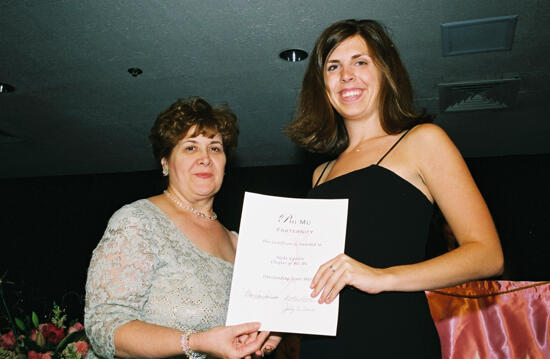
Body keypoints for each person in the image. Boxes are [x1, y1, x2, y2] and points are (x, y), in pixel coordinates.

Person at [284, 19, 503, 357]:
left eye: (360, 61)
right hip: (324, 347)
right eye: (333, 66)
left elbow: (488, 255)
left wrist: (382, 278)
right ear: (322, 85)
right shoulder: (320, 174)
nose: (346, 75)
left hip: (394, 336)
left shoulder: (423, 141)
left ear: (385, 72)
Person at [85, 97, 278, 359]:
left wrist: (258, 336)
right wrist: (195, 342)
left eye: (215, 148)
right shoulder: (138, 220)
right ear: (165, 162)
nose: (205, 159)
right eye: (190, 148)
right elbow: (104, 327)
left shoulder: (239, 242)